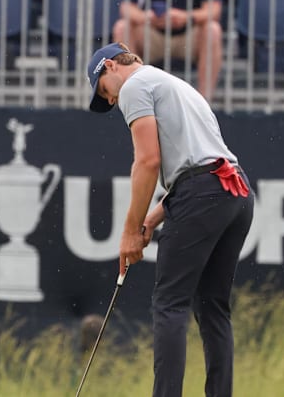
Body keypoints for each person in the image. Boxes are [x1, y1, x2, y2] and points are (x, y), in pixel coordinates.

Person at [86, 41, 254, 397]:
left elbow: (147, 162)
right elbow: (203, 167)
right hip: (236, 194)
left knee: (170, 303)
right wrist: (151, 219)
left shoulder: (133, 87)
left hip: (205, 193)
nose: (112, 101)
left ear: (110, 67)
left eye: (104, 92)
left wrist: (131, 230)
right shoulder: (176, 85)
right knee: (212, 308)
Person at [112, 0, 223, 101]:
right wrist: (147, 17)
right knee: (122, 28)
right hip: (152, 35)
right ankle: (131, 99)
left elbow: (214, 10)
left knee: (213, 30)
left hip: (188, 36)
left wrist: (186, 17)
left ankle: (203, 102)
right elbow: (126, 8)